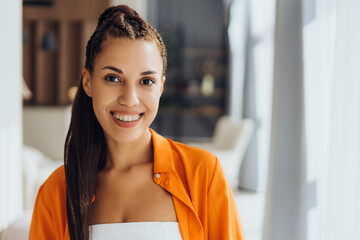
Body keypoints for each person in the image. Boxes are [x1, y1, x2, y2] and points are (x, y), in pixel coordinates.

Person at [29, 5, 245, 240]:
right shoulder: (56, 192)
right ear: (88, 82)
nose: (129, 99)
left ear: (160, 87)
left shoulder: (203, 174)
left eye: (146, 81)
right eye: (113, 78)